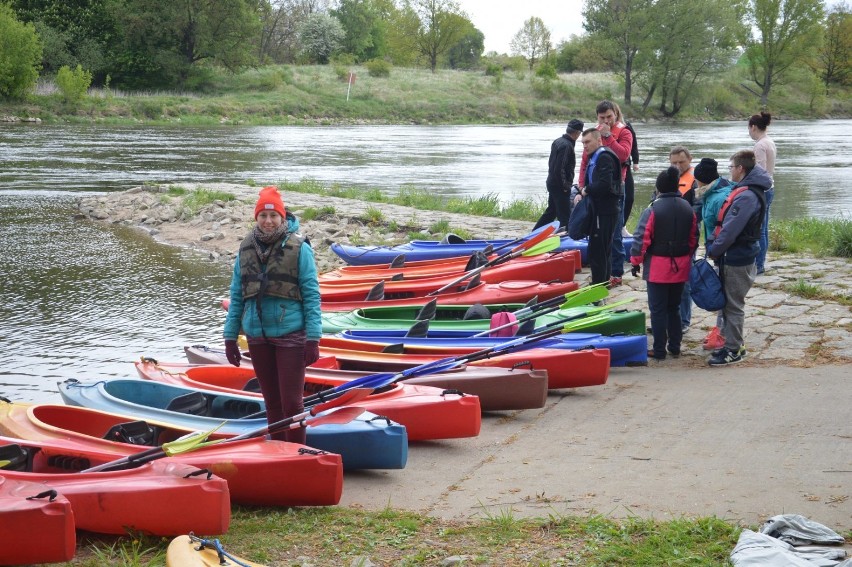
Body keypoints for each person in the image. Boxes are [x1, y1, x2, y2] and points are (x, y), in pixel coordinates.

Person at [222, 186, 322, 443]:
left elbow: (311, 295)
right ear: (256, 218)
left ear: (282, 217)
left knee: (292, 404)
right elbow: (236, 296)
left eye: (273, 216)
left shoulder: (300, 248)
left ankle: (298, 456)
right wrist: (230, 338)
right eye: (263, 216)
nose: (268, 221)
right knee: (272, 403)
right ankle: (278, 452)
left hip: (291, 336)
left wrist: (313, 338)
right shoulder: (245, 248)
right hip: (257, 336)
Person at [707, 150, 771, 366]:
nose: (730, 171)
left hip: (738, 256)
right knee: (729, 304)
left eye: (731, 167)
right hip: (739, 254)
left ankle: (735, 349)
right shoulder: (747, 191)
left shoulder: (746, 196)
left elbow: (730, 230)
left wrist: (714, 249)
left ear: (740, 168)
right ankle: (730, 344)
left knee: (733, 305)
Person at [629, 166, 697, 360]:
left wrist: (636, 262)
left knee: (657, 310)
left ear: (658, 187)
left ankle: (659, 350)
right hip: (681, 266)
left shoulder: (652, 209)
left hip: (658, 269)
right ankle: (675, 347)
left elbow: (641, 239)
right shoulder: (688, 209)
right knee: (674, 308)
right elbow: (693, 239)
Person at [578, 101, 633, 287]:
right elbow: (585, 162)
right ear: (597, 117)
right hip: (595, 192)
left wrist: (607, 137)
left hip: (616, 189)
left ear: (615, 115)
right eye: (602, 118)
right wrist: (581, 186)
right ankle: (604, 272)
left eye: (609, 117)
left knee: (615, 233)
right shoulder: (592, 135)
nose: (606, 120)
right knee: (598, 234)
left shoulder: (624, 132)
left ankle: (616, 273)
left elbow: (623, 155)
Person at [692, 158, 732, 351]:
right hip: (718, 250)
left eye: (696, 180)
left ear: (702, 180)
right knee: (723, 291)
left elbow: (723, 229)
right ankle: (720, 328)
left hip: (723, 252)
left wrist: (714, 251)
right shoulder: (715, 191)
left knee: (725, 294)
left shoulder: (716, 198)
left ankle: (723, 335)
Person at [578, 128, 623, 286]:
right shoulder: (596, 156)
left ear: (599, 141)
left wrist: (586, 190)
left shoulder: (604, 157)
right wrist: (581, 191)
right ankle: (602, 283)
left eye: (588, 142)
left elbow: (605, 184)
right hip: (602, 211)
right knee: (603, 249)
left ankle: (598, 285)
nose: (585, 145)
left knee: (598, 251)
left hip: (605, 211)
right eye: (583, 143)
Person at [668, 146, 698, 333]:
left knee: (685, 280)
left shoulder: (696, 182)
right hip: (668, 235)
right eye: (674, 163)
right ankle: (671, 318)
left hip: (688, 236)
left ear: (690, 160)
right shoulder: (668, 178)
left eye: (681, 162)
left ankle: (684, 320)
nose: (678, 166)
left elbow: (698, 210)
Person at [534, 119, 584, 230]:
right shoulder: (567, 146)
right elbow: (559, 169)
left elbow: (552, 165)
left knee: (552, 212)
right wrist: (566, 186)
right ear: (577, 133)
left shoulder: (558, 141)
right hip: (560, 186)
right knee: (565, 216)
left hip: (552, 182)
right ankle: (567, 238)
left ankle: (534, 233)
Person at [748, 111, 776, 274]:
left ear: (753, 127)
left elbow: (760, 171)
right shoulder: (769, 141)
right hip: (770, 187)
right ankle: (760, 263)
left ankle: (758, 265)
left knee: (759, 229)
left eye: (749, 128)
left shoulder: (759, 145)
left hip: (762, 190)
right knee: (764, 227)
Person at [623, 121, 640, 225]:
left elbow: (634, 144)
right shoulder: (600, 129)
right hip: (608, 167)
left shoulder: (626, 126)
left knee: (629, 197)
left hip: (625, 165)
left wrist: (636, 161)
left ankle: (622, 225)